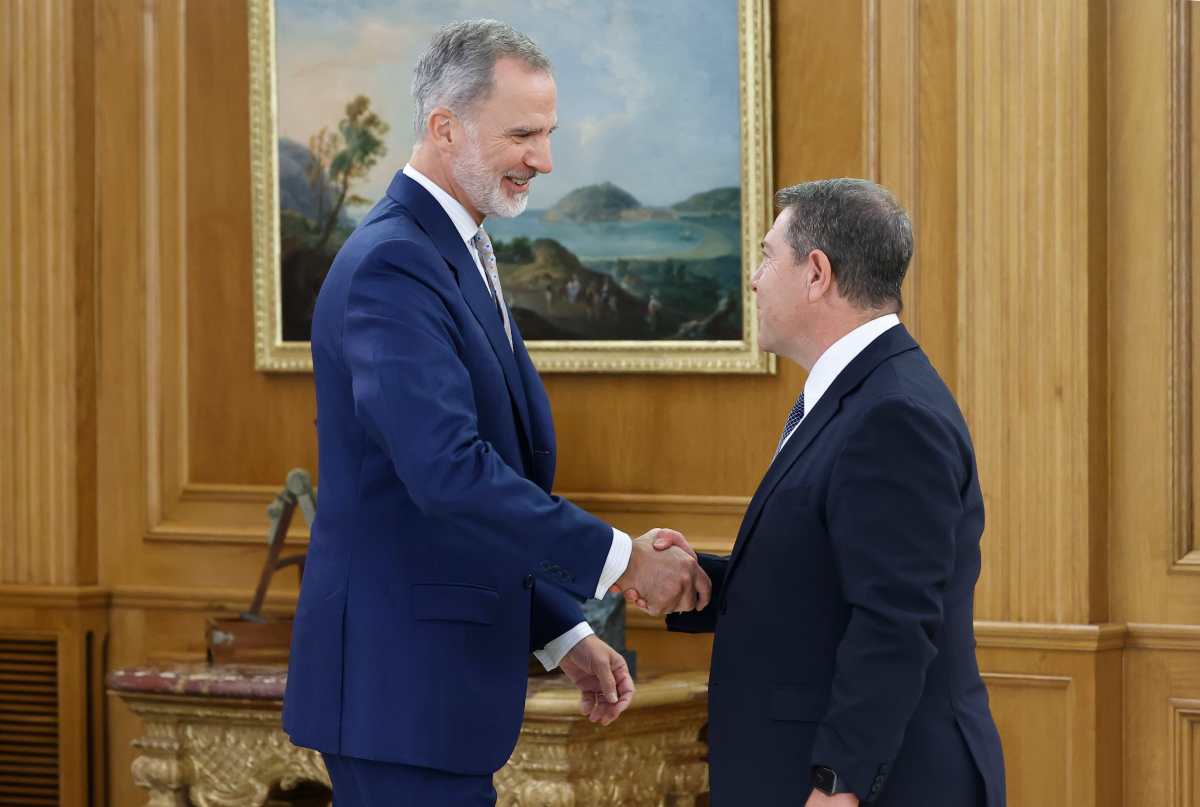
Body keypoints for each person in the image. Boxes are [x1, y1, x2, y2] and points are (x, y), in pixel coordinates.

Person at [282, 19, 710, 805]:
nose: (543, 160)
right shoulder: (394, 265)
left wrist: (561, 628)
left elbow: (462, 502)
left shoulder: (457, 248)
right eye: (523, 134)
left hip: (425, 703)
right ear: (445, 128)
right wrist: (622, 560)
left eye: (547, 134)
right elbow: (449, 475)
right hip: (398, 701)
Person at [638, 179, 1006, 805]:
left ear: (816, 273)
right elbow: (830, 582)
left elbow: (894, 621)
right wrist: (697, 579)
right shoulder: (860, 394)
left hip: (873, 785)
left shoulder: (893, 415)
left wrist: (839, 784)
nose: (752, 279)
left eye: (765, 255)